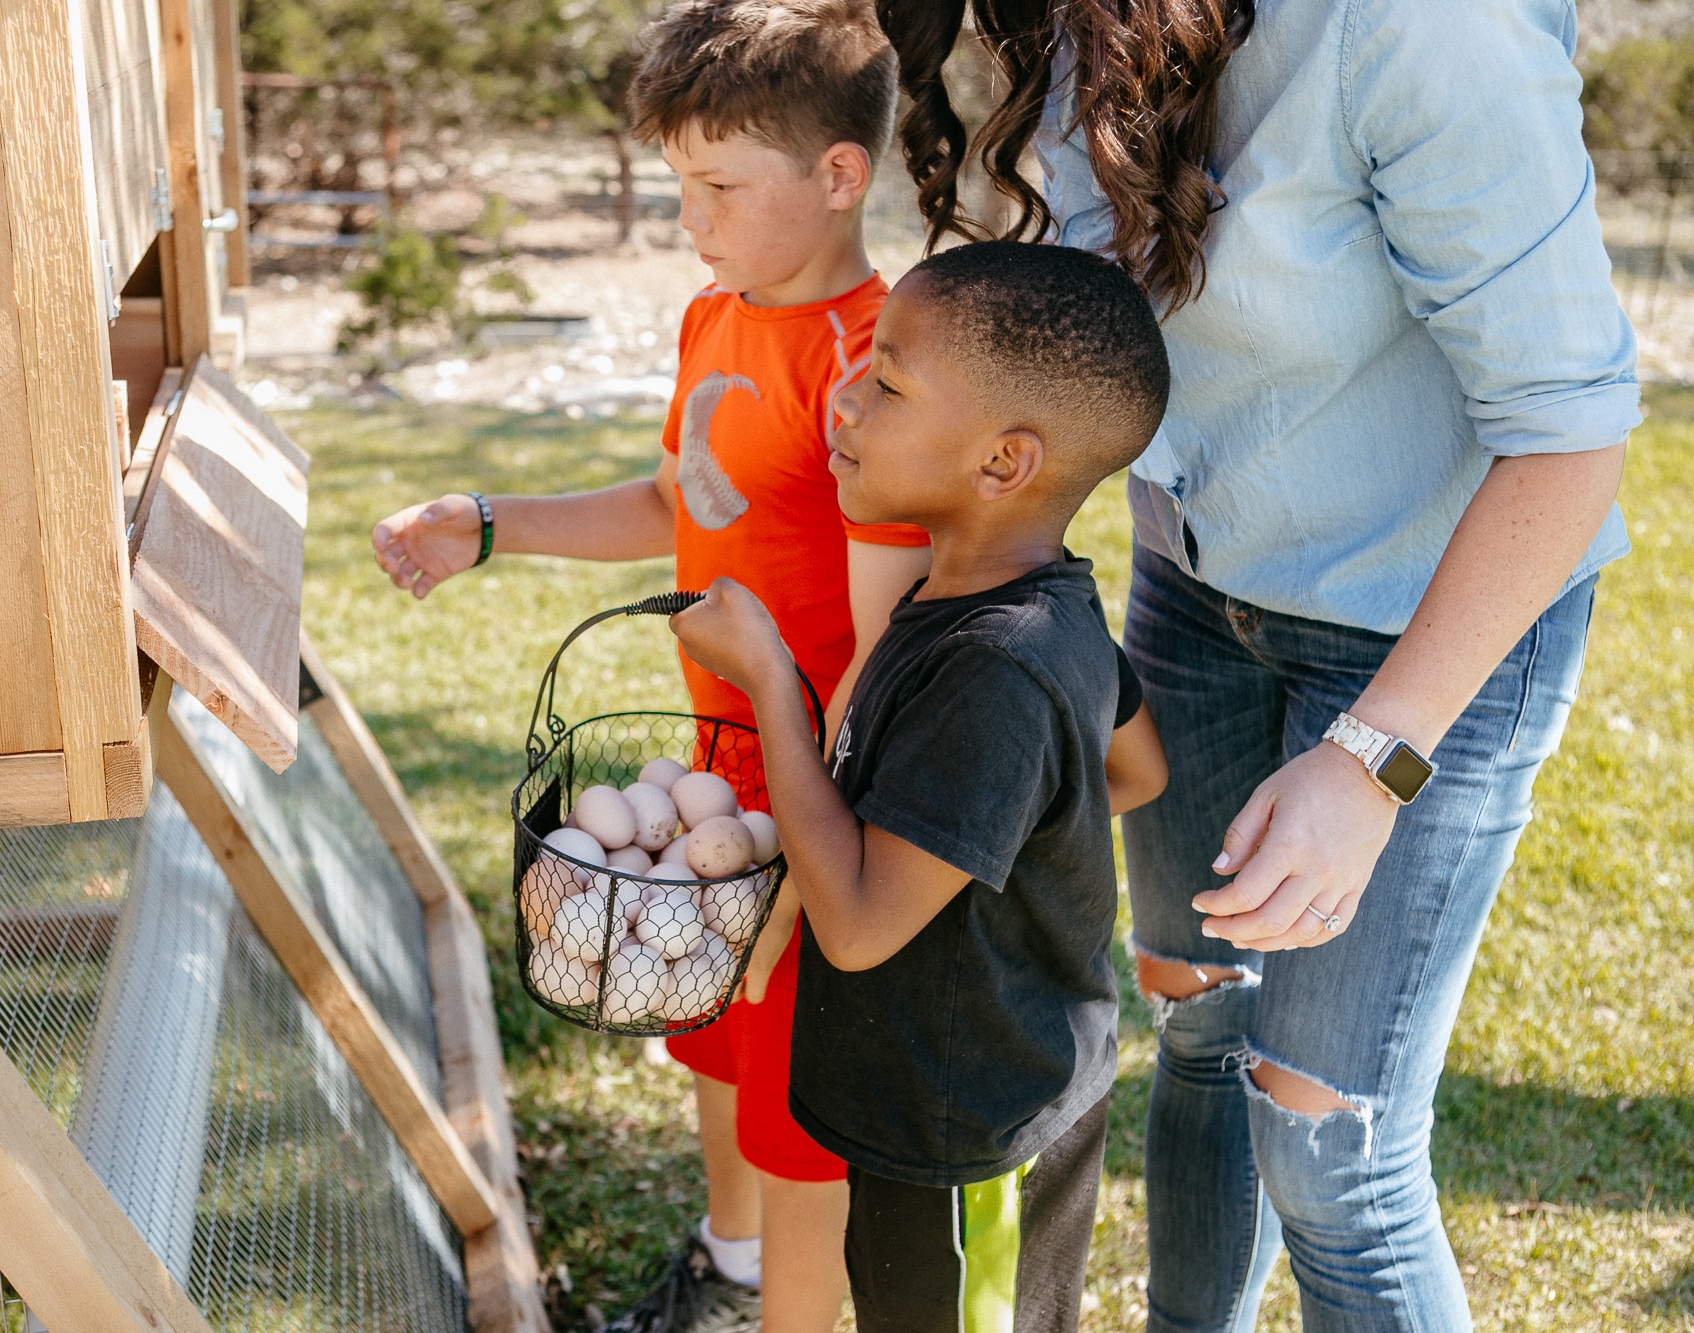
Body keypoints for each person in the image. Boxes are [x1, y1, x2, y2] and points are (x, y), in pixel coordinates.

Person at [874, 3, 1638, 1329]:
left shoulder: (1420, 30)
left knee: (1333, 1156)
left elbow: (1568, 434)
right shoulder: (1086, 22)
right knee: (1198, 1028)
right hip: (1198, 586)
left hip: (1426, 627)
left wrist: (1370, 760)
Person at [376, 5, 925, 1329]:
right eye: (681, 183)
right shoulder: (711, 318)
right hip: (717, 773)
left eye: (721, 186)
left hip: (825, 798)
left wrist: (811, 843)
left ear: (838, 175)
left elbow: (894, 633)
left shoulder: (876, 363)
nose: (692, 218)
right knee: (715, 1042)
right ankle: (728, 1270)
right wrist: (489, 525)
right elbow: (681, 501)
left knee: (799, 1117)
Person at [668, 240, 1172, 1333]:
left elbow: (854, 927)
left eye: (887, 385)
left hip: (966, 1132)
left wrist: (769, 678)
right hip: (943, 1099)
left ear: (1003, 462)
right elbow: (1134, 767)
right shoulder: (1028, 603)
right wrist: (998, 840)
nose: (845, 401)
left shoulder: (993, 670)